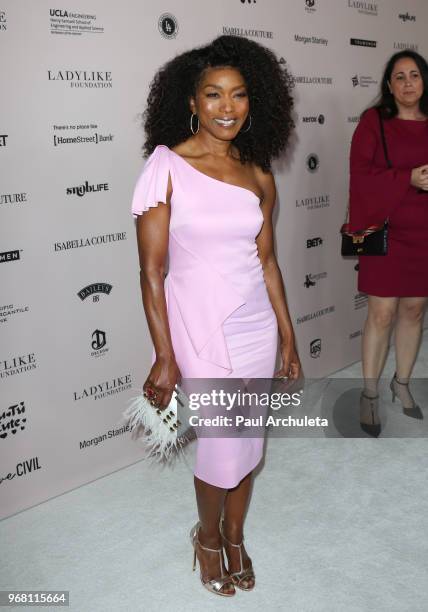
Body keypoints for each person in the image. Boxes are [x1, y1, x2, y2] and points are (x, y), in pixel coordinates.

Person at [131, 35, 300, 596]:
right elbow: (152, 273)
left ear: (254, 103)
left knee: (248, 443)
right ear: (192, 102)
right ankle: (207, 537)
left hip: (255, 324)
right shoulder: (166, 168)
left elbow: (269, 262)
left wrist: (288, 337)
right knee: (223, 443)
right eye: (213, 95)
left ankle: (234, 535)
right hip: (199, 326)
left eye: (239, 95)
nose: (227, 107)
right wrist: (164, 355)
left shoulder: (259, 173)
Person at [349, 49, 428, 436]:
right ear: (389, 84)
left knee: (414, 311)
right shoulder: (373, 122)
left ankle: (401, 384)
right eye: (400, 76)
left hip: (425, 234)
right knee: (380, 315)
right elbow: (360, 175)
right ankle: (369, 395)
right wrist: (407, 178)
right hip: (386, 232)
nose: (408, 83)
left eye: (415, 75)